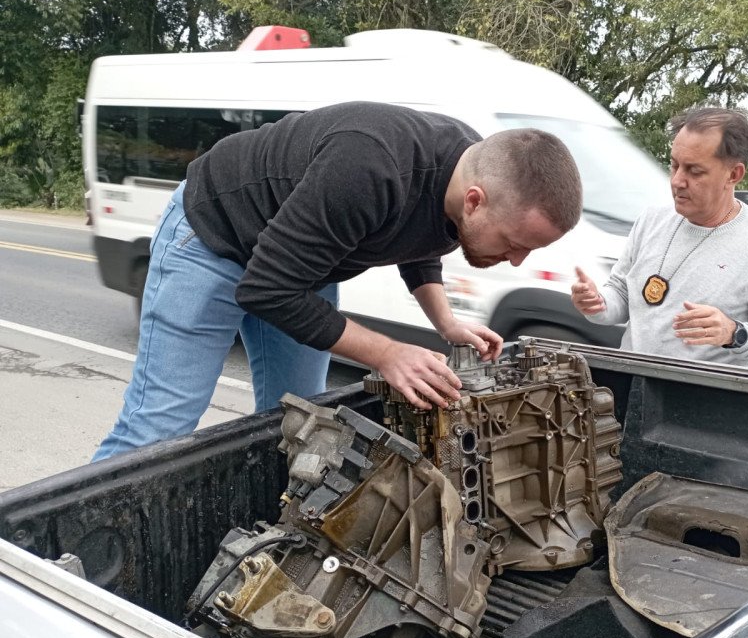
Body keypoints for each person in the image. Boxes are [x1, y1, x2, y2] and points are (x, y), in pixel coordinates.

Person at [93, 101, 582, 461]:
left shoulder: (468, 174)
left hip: (298, 269)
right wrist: (389, 354)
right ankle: (55, 571)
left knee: (302, 425)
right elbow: (266, 290)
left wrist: (446, 322)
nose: (516, 261)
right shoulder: (369, 167)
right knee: (160, 430)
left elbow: (421, 239)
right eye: (517, 242)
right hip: (213, 236)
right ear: (475, 200)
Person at [571, 106, 748, 369]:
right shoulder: (651, 221)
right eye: (674, 165)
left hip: (701, 403)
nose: (677, 181)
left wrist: (734, 333)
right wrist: (597, 304)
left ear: (734, 174)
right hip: (632, 390)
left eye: (695, 171)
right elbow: (622, 296)